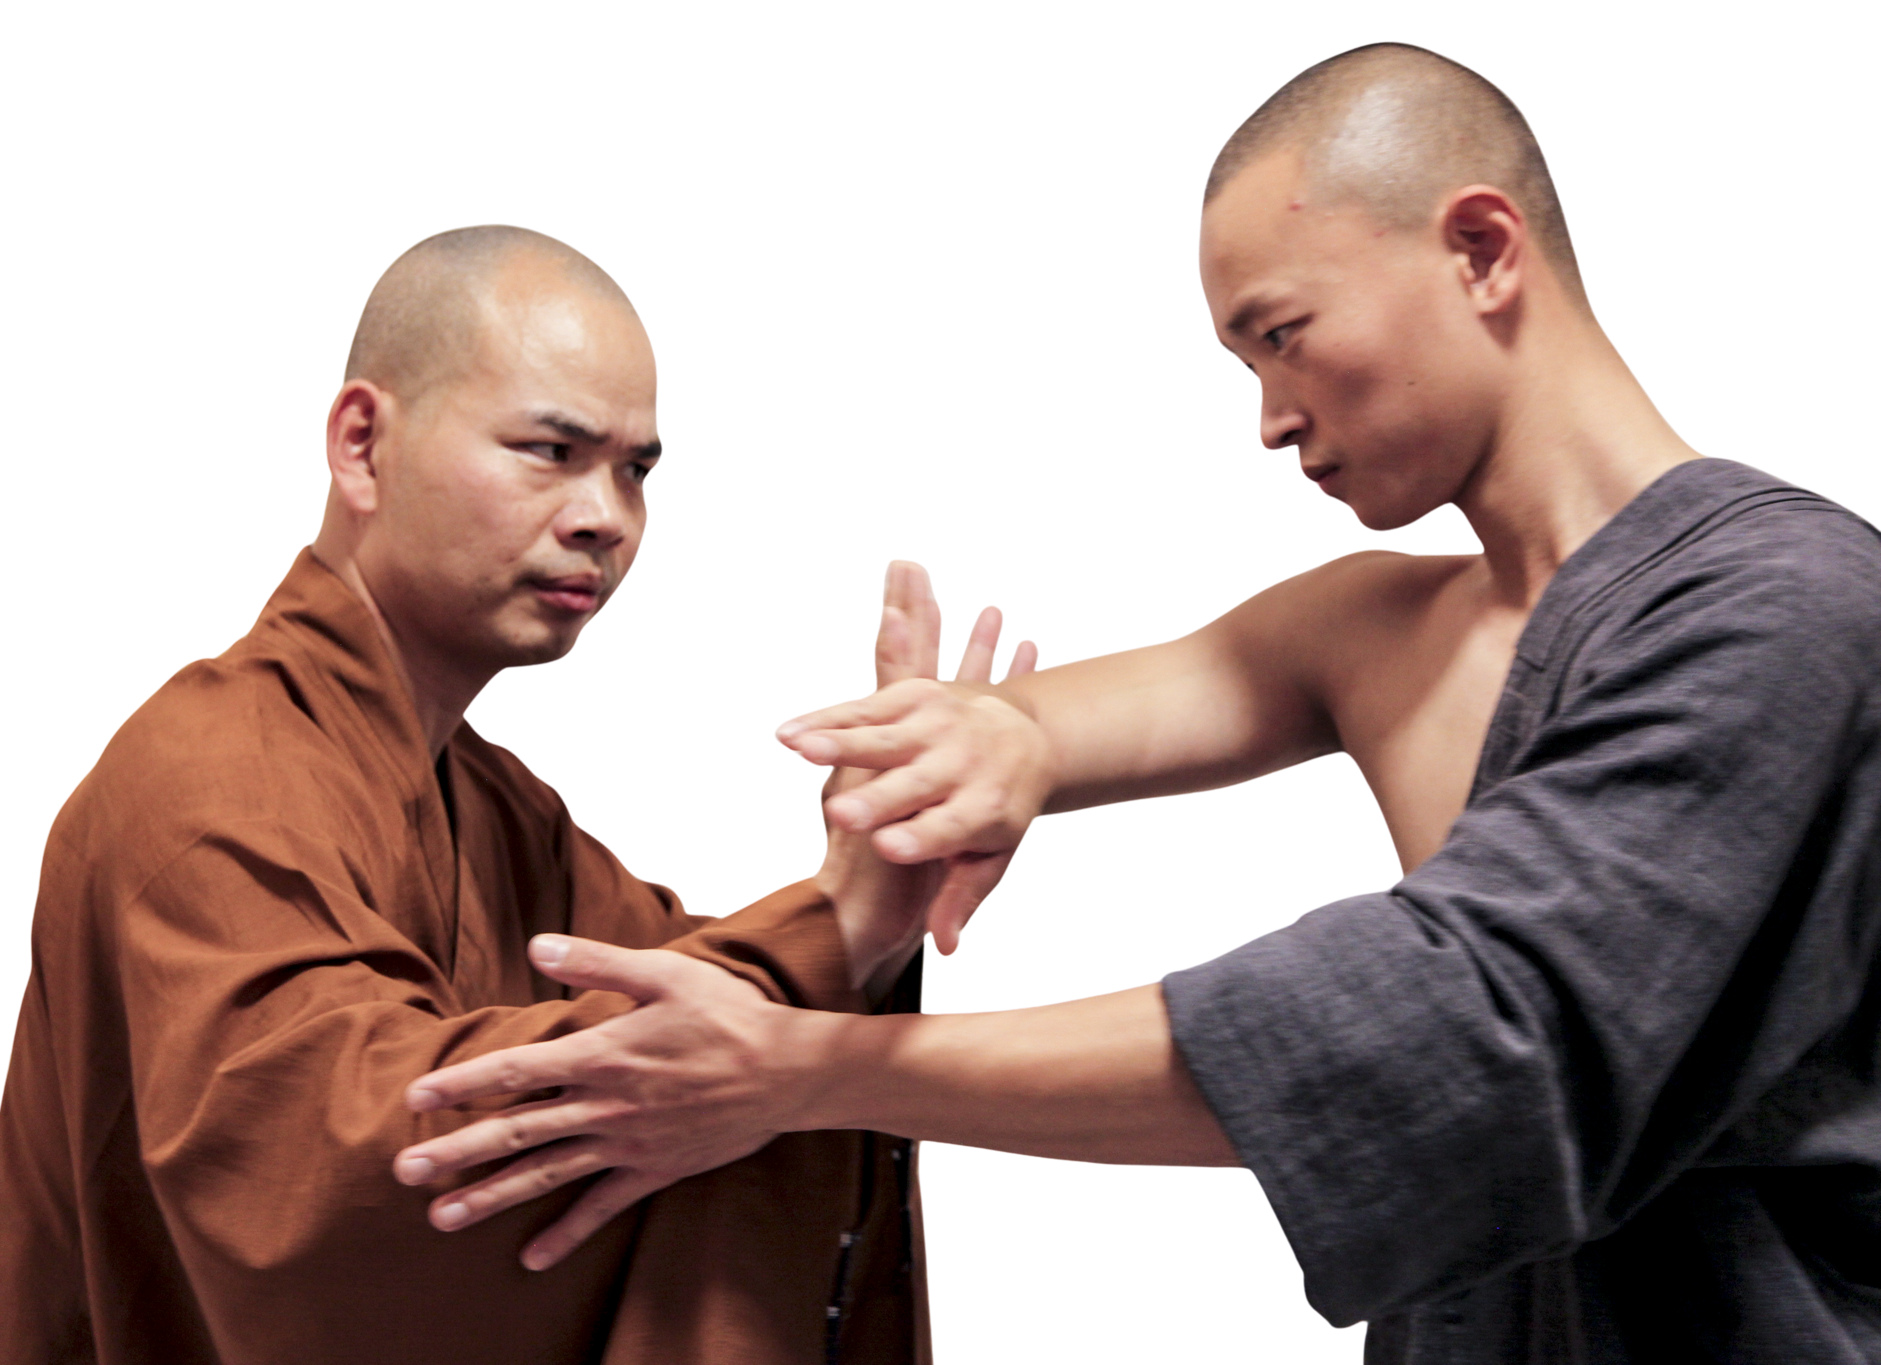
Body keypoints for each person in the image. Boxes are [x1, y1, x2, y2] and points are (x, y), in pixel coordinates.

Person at [386, 44, 1881, 1364]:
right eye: (1242, 365)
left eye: (1285, 333)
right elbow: (1098, 716)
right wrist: (975, 746)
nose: (1270, 413)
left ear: (1481, 250)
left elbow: (1473, 1024)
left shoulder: (1790, 611)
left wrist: (809, 1074)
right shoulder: (1387, 623)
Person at [0, 225, 960, 1365]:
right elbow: (342, 1178)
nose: (604, 517)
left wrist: (878, 894)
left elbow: (702, 1001)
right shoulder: (209, 772)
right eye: (549, 450)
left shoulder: (491, 801)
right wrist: (835, 926)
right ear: (364, 445)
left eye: (634, 469)